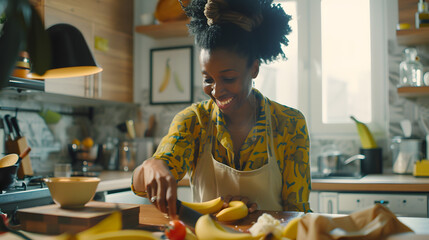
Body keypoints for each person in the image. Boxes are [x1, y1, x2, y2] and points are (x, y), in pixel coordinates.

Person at [132, 0, 311, 218]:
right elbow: (145, 180)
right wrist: (151, 165)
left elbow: (298, 211)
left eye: (228, 78)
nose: (216, 91)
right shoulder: (193, 121)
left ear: (254, 68)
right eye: (208, 79)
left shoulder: (289, 123)